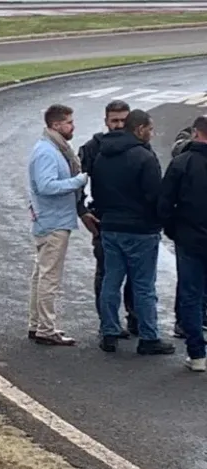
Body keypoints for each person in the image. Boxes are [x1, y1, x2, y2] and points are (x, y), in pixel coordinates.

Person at [90, 109, 175, 355]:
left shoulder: (102, 156)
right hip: (140, 230)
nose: (152, 133)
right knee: (144, 285)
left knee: (111, 280)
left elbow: (98, 192)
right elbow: (154, 196)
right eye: (150, 129)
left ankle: (109, 332)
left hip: (111, 226)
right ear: (139, 129)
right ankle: (149, 337)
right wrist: (161, 220)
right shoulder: (144, 158)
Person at [26, 104, 89, 346]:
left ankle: (37, 324)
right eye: (69, 122)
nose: (73, 126)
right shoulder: (47, 152)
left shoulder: (52, 148)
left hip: (50, 219)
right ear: (56, 125)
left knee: (41, 275)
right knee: (49, 277)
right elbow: (46, 186)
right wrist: (78, 181)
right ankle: (46, 328)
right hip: (53, 222)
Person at [77, 100, 139, 338]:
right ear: (106, 122)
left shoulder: (140, 146)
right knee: (106, 273)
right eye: (115, 120)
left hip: (134, 221)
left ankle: (135, 319)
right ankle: (108, 323)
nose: (119, 125)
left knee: (136, 275)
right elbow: (77, 182)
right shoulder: (92, 148)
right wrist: (82, 211)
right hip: (103, 219)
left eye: (123, 120)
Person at [159, 115, 207, 371]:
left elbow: (165, 203)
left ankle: (197, 353)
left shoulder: (181, 163)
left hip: (188, 238)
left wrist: (172, 230)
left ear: (196, 133)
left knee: (190, 293)